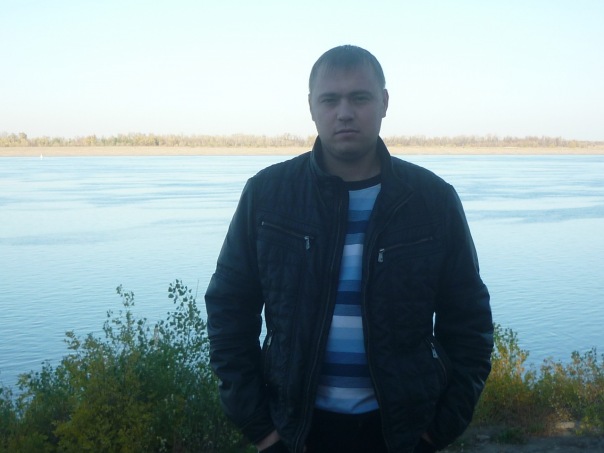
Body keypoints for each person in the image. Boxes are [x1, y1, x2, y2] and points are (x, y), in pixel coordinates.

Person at [205, 45, 493, 453]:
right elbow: (229, 311)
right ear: (311, 106)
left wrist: (435, 433)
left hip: (401, 434)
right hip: (297, 431)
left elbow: (469, 324)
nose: (344, 112)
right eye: (330, 99)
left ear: (384, 103)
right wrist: (263, 431)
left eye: (359, 98)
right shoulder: (268, 196)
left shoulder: (432, 201)